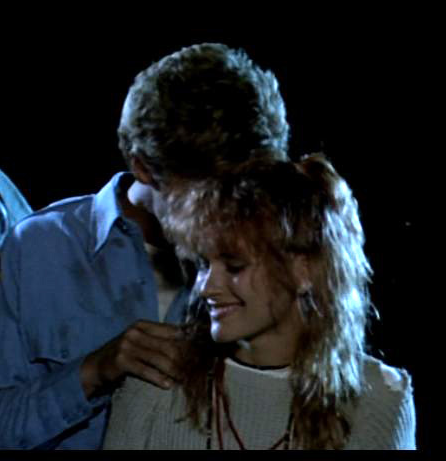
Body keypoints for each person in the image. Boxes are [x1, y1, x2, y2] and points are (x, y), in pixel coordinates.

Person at [0, 43, 290, 449]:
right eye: (206, 193)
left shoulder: (273, 261)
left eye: (243, 190)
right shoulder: (39, 248)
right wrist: (94, 372)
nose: (228, 212)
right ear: (143, 167)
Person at [103, 154, 416, 450]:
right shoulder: (158, 376)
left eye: (234, 266)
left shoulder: (380, 400)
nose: (206, 288)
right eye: (203, 264)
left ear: (303, 270)